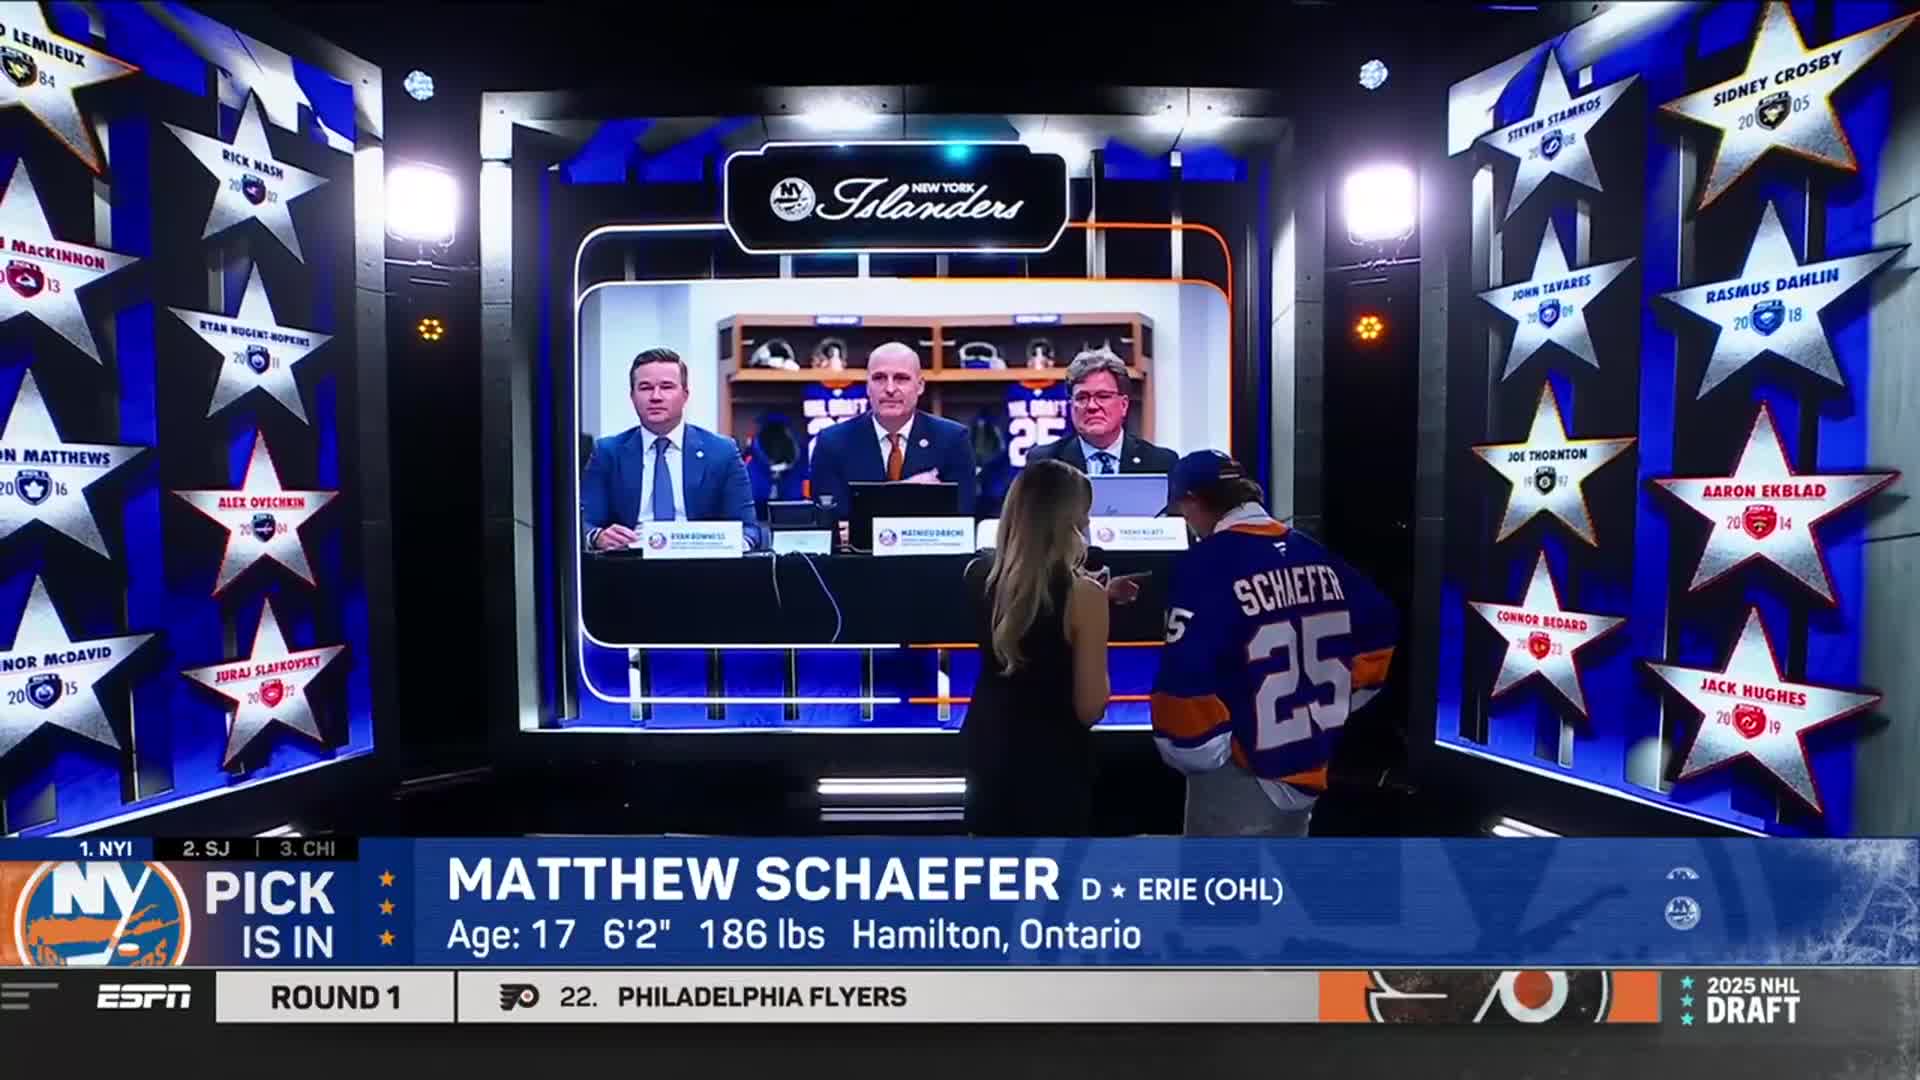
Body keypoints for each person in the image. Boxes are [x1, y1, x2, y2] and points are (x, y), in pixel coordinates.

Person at [1149, 451, 1398, 837]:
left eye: (1183, 512)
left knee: (1221, 895)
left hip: (1241, 776)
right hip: (1310, 761)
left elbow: (1186, 682)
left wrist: (1202, 748)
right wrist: (1333, 703)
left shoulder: (1204, 563)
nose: (1187, 524)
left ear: (1193, 501)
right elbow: (1381, 624)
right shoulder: (1313, 552)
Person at [961, 460, 1112, 836]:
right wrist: (1096, 606)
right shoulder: (1084, 597)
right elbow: (1090, 707)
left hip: (988, 755)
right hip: (1053, 770)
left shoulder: (978, 577)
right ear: (1070, 523)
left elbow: (1029, 599)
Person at [581, 347, 761, 551]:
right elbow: (584, 523)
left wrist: (734, 547)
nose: (656, 396)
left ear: (685, 395)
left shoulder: (721, 452)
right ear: (632, 396)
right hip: (629, 566)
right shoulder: (608, 452)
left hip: (701, 568)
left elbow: (749, 529)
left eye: (666, 387)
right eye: (645, 387)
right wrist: (597, 537)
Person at [807, 341, 977, 523]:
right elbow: (831, 525)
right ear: (867, 386)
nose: (889, 389)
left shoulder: (952, 440)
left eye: (901, 378)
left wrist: (865, 519)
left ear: (919, 386)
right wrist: (910, 491)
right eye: (879, 378)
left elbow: (961, 521)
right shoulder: (832, 443)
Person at [1024, 346, 1177, 477]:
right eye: (1082, 397)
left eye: (1103, 396)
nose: (1092, 406)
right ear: (1071, 405)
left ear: (1123, 405)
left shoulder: (1160, 463)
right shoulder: (1045, 462)